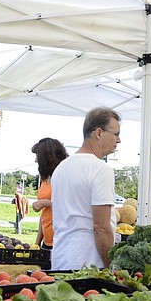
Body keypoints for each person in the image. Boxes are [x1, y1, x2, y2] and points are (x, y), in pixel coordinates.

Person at [50, 107, 120, 270]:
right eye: (115, 134)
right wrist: (111, 267)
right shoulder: (100, 169)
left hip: (60, 259)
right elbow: (101, 228)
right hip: (88, 266)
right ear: (98, 133)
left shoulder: (61, 168)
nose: (118, 140)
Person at [31, 138, 68, 250]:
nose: (36, 160)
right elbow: (44, 214)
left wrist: (46, 203)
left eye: (38, 155)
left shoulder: (65, 177)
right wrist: (37, 243)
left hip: (61, 242)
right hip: (47, 242)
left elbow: (69, 208)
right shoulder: (45, 179)